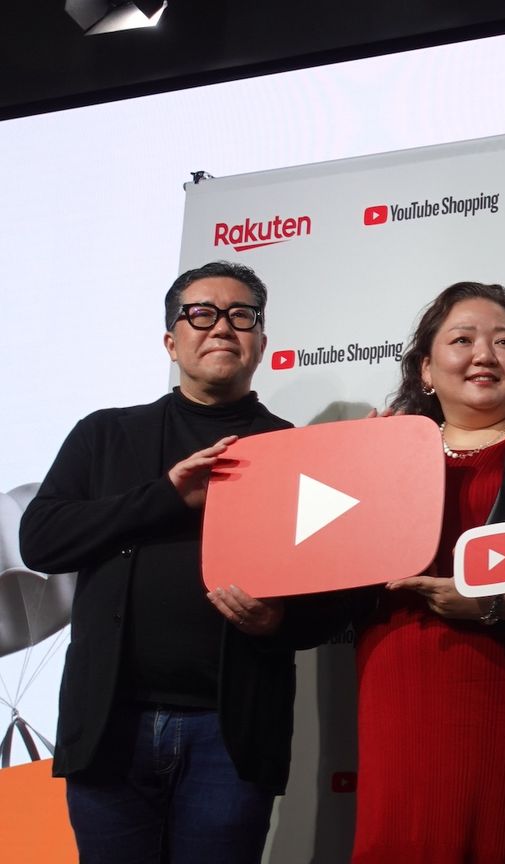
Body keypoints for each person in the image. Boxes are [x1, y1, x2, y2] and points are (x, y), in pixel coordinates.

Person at [20, 261, 321, 864]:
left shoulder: (295, 449)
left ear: (261, 342)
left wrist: (280, 621)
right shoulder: (105, 435)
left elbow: (337, 595)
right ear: (171, 341)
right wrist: (165, 496)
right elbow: (42, 541)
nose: (222, 327)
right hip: (110, 728)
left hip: (230, 736)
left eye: (241, 316)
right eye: (201, 314)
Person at [351, 282, 505, 863]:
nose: (484, 355)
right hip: (399, 672)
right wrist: (360, 472)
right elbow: (339, 573)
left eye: (504, 342)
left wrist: (496, 604)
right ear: (426, 369)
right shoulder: (382, 448)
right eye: (462, 340)